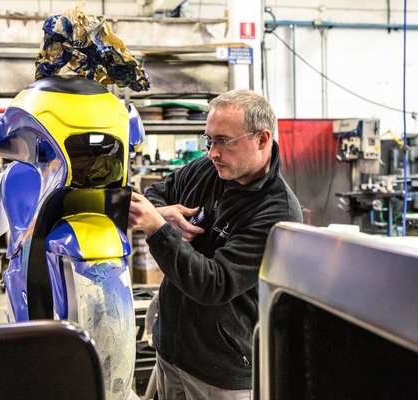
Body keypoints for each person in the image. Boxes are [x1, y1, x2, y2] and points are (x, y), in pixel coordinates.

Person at [129, 89, 302, 399]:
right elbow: (157, 193)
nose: (212, 152)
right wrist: (164, 212)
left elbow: (215, 284)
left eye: (223, 141)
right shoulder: (208, 170)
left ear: (262, 139)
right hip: (171, 351)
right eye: (208, 140)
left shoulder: (278, 212)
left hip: (220, 372)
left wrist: (157, 228)